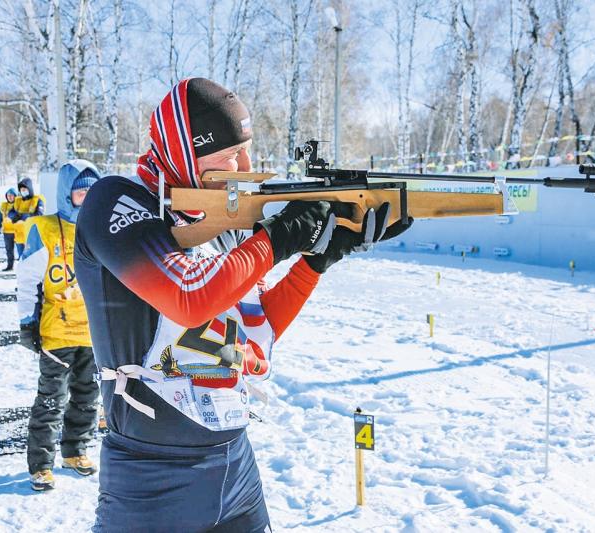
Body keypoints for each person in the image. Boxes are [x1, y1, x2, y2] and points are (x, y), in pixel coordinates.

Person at [75, 78, 411, 532]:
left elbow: (250, 332)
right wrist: (279, 238)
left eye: (247, 149)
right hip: (150, 480)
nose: (246, 166)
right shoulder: (116, 201)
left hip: (236, 467)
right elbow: (190, 297)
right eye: (228, 156)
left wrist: (318, 260)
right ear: (183, 154)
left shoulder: (223, 221)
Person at [17, 160, 102, 491]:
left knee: (87, 396)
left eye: (93, 194)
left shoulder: (98, 229)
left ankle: (75, 451)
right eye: (81, 194)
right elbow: (27, 280)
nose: (87, 200)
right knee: (51, 400)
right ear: (67, 195)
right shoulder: (45, 228)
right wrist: (27, 321)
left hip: (92, 332)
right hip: (56, 333)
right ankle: (40, 464)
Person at [10, 177, 45, 259]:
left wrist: (24, 216)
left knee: (32, 258)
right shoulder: (18, 201)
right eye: (21, 190)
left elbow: (39, 214)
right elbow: (11, 213)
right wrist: (14, 217)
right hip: (19, 235)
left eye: (25, 189)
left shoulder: (38, 200)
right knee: (21, 259)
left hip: (32, 235)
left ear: (29, 189)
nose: (23, 191)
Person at [0, 188, 18, 271]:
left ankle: (23, 267)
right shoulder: (4, 205)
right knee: (9, 250)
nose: (10, 197)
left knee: (22, 250)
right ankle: (10, 266)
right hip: (7, 231)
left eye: (12, 195)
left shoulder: (19, 204)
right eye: (8, 196)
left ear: (15, 196)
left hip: (18, 231)